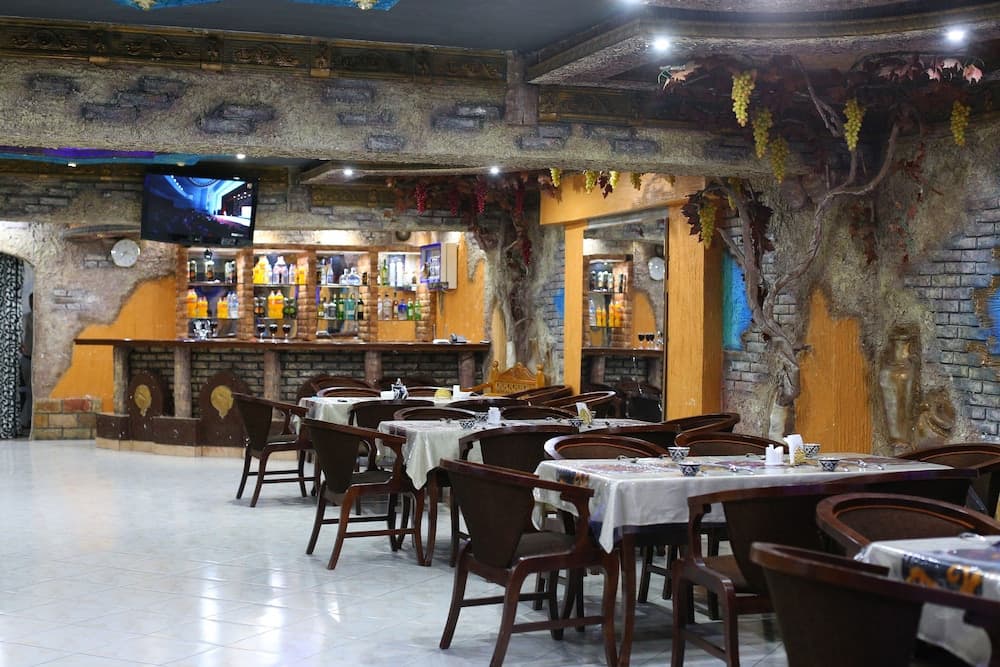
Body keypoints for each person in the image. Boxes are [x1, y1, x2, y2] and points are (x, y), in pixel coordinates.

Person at [19, 293, 32, 436]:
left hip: (33, 359)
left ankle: (25, 420)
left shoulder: (39, 318)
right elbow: (20, 336)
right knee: (30, 391)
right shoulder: (26, 318)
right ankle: (24, 421)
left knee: (31, 392)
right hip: (27, 358)